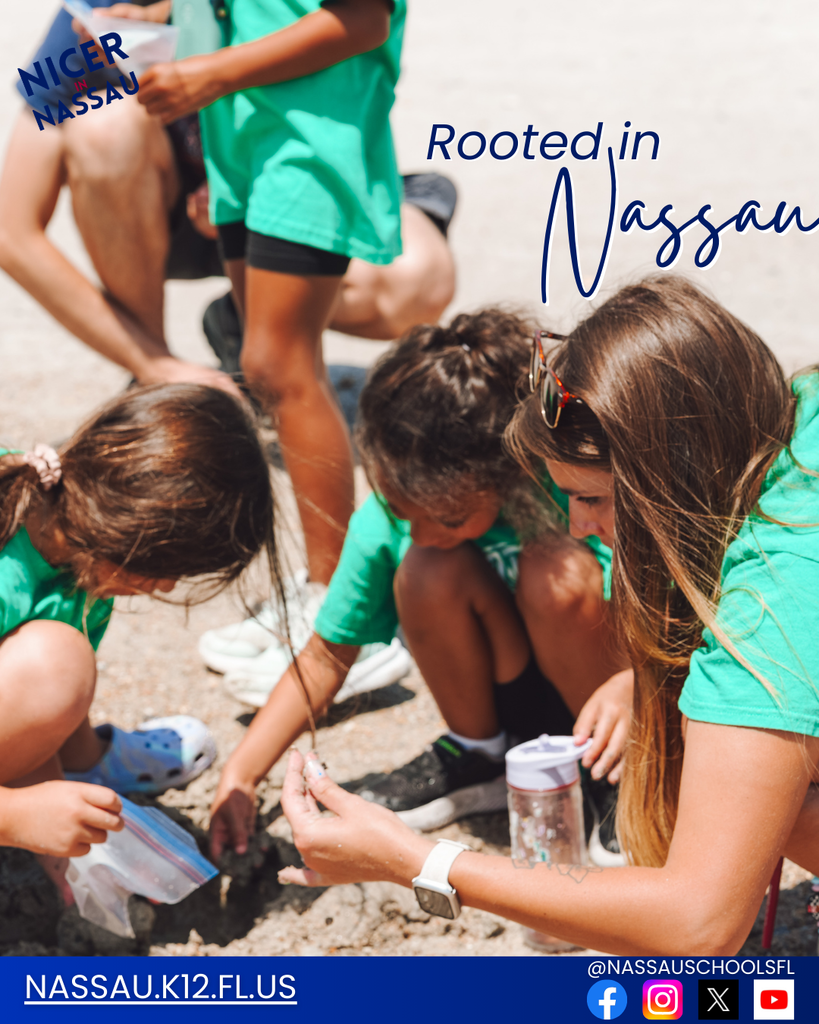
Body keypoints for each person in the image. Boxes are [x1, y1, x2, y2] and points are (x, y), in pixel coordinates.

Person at [276, 276, 819, 955]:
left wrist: (417, 860)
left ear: (673, 477)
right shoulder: (796, 410)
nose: (578, 525)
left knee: (779, 810)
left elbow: (697, 923)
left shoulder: (767, 607)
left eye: (592, 496)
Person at [209, 310, 628, 861]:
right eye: (407, 512)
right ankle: (479, 754)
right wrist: (240, 774)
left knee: (557, 572)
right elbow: (326, 655)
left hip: (613, 697)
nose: (422, 530)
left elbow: (669, 617)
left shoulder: (571, 487)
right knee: (428, 567)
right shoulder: (397, 516)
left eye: (448, 516)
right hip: (512, 691)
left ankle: (622, 777)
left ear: (506, 471)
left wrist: (637, 692)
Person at [0, 3, 455, 405]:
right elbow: (10, 231)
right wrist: (154, 361)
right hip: (165, 220)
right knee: (104, 129)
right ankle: (154, 378)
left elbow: (362, 38)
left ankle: (245, 322)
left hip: (286, 199)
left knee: (418, 281)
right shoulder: (89, 18)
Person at [136, 0, 408, 589]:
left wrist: (211, 72)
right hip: (241, 135)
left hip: (310, 138)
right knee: (278, 371)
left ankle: (337, 610)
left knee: (275, 365)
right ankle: (322, 598)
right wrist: (158, 14)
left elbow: (364, 20)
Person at [0, 383, 284, 890]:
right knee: (57, 662)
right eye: (167, 569)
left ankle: (87, 767)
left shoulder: (77, 544)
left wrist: (61, 849)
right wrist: (14, 815)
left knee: (57, 665)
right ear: (134, 529)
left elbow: (23, 702)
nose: (167, 586)